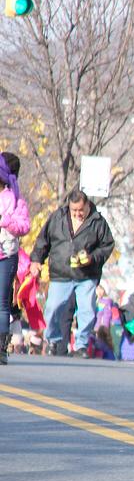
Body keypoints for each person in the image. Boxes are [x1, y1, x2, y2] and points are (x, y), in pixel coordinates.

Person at [30, 189, 115, 357]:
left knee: (87, 310)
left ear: (88, 206)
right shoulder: (57, 217)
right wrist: (37, 260)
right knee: (53, 307)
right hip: (61, 272)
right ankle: (52, 340)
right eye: (73, 210)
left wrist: (92, 258)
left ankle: (82, 345)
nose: (77, 214)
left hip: (86, 275)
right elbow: (43, 240)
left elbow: (107, 246)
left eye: (80, 210)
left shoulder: (98, 221)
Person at [1, 152, 31, 364]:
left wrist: (5, 221)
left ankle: (1, 347)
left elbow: (24, 226)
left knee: (2, 303)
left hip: (6, 255)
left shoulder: (16, 200)